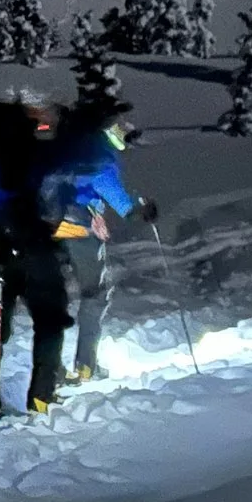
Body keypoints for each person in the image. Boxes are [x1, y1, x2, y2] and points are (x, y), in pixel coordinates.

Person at [0, 94, 75, 420]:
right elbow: (54, 184)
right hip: (32, 243)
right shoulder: (29, 146)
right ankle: (41, 397)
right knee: (49, 317)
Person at [43, 107, 155, 384]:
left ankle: (48, 371)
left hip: (45, 227)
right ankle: (86, 366)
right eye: (122, 127)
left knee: (50, 298)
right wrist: (139, 211)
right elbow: (116, 196)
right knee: (94, 293)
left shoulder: (60, 148)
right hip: (79, 227)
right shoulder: (98, 155)